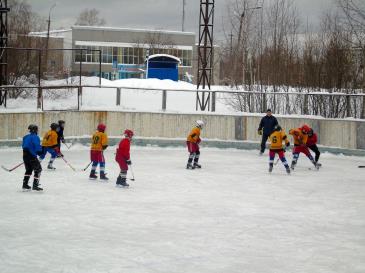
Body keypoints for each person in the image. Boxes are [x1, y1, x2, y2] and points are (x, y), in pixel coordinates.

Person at [22, 124, 43, 191]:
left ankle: (25, 185)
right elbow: (37, 145)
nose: (37, 131)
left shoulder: (25, 137)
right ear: (35, 130)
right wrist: (39, 152)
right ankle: (35, 186)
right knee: (38, 169)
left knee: (28, 170)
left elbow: (24, 146)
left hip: (25, 155)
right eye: (37, 129)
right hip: (31, 156)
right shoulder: (35, 137)